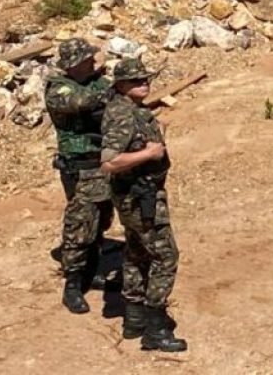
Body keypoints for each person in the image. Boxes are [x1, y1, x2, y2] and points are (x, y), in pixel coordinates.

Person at [100, 58, 186, 353]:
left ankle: (134, 318)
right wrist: (149, 154)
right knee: (165, 257)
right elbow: (109, 162)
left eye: (145, 78)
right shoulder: (122, 115)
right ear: (121, 86)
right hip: (140, 197)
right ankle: (156, 326)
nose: (144, 83)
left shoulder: (131, 110)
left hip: (136, 196)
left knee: (136, 253)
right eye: (136, 81)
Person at [44, 38, 115, 314]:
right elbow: (81, 103)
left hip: (105, 164)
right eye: (85, 60)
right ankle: (72, 284)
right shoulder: (58, 88)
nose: (91, 62)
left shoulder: (96, 82)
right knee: (80, 226)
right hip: (80, 167)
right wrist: (114, 91)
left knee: (102, 221)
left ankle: (91, 272)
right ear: (72, 65)